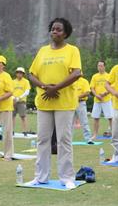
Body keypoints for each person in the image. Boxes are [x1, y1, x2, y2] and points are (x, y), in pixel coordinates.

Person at [26, 18, 82, 189]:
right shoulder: (43, 51)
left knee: (64, 139)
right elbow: (31, 74)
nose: (54, 32)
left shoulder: (72, 50)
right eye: (52, 29)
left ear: (65, 33)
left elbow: (77, 73)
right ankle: (41, 176)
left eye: (58, 29)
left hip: (64, 102)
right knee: (42, 139)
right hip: (44, 102)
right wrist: (44, 87)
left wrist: (55, 88)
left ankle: (67, 178)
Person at [90, 61, 112, 140]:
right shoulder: (94, 76)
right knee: (96, 117)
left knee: (110, 117)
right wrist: (96, 95)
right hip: (97, 100)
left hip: (106, 99)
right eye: (98, 66)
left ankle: (113, 133)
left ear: (104, 67)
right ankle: (95, 134)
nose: (100, 67)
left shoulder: (109, 76)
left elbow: (111, 87)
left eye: (101, 66)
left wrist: (105, 93)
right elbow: (92, 88)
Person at [73, 75, 92, 143]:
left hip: (80, 103)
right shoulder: (71, 81)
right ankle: (68, 139)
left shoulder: (84, 81)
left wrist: (76, 97)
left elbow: (87, 92)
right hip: (71, 104)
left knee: (84, 121)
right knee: (69, 123)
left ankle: (88, 139)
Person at [12, 67, 31, 136]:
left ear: (23, 74)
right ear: (16, 73)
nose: (19, 74)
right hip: (13, 101)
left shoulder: (26, 81)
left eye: (21, 73)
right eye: (18, 72)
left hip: (21, 101)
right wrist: (13, 98)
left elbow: (27, 92)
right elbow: (10, 91)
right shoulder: (13, 81)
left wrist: (19, 97)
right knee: (12, 116)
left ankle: (25, 131)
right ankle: (12, 131)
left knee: (23, 116)